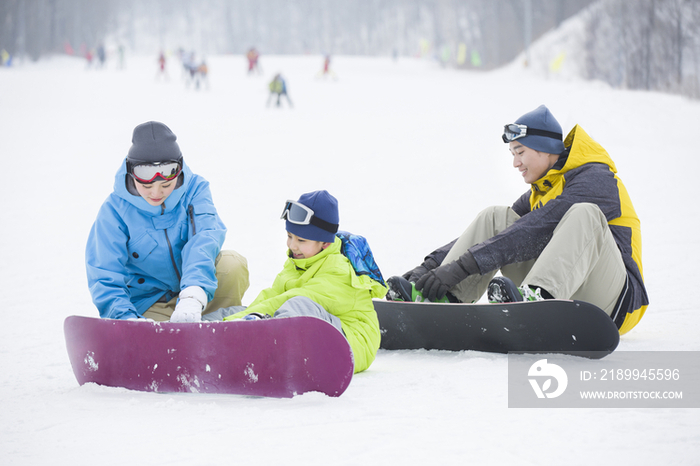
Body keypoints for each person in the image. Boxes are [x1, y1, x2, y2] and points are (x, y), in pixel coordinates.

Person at [386, 105, 648, 335]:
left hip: (615, 301)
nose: (515, 163)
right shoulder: (541, 191)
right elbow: (501, 236)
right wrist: (432, 266)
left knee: (584, 213)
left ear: (545, 150)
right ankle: (445, 299)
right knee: (496, 217)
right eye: (512, 153)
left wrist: (462, 266)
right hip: (568, 288)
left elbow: (532, 230)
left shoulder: (596, 180)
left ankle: (538, 303)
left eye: (520, 152)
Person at [85, 121, 250, 322]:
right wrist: (125, 318)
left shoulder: (195, 189)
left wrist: (192, 296)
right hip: (151, 303)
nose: (157, 193)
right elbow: (105, 273)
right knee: (154, 336)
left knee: (232, 263)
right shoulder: (114, 210)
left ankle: (217, 327)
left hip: (196, 294)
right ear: (132, 174)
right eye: (147, 187)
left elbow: (204, 240)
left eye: (166, 184)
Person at [212, 190, 386, 373]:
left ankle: (259, 348)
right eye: (289, 236)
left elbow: (293, 299)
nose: (292, 245)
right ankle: (193, 331)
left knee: (299, 305)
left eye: (301, 240)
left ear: (324, 243)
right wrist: (235, 318)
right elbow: (272, 295)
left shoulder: (339, 270)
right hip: (313, 334)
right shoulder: (299, 261)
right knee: (236, 311)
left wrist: (236, 324)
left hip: (349, 343)